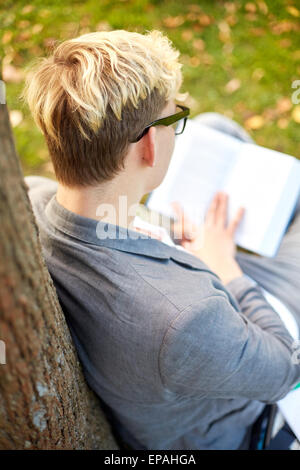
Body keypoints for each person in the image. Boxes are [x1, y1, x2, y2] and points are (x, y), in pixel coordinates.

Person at [22, 29, 300, 450]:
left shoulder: (32, 198)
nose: (176, 127)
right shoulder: (186, 319)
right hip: (240, 370)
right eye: (174, 119)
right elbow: (285, 368)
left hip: (172, 282)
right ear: (150, 143)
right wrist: (225, 267)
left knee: (216, 129)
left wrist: (167, 240)